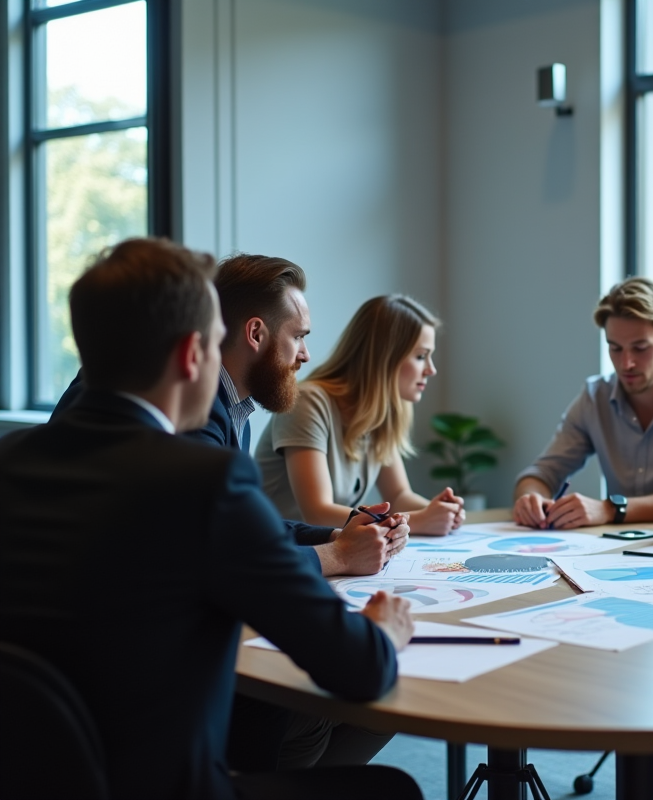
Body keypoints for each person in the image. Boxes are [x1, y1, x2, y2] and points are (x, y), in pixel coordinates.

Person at [0, 238, 422, 800]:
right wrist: (385, 631)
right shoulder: (203, 478)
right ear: (191, 354)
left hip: (31, 774)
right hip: (165, 785)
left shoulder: (12, 459)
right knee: (390, 789)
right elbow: (359, 669)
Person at [52, 253, 406, 579]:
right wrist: (340, 555)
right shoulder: (191, 417)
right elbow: (226, 556)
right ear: (253, 334)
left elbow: (239, 524)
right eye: (298, 337)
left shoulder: (234, 407)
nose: (306, 355)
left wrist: (339, 535)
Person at [513, 277, 653, 529]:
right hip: (615, 549)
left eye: (640, 348)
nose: (626, 363)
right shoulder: (595, 396)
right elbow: (540, 474)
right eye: (615, 348)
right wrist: (530, 499)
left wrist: (611, 508)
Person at [256, 295, 466, 535]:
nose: (431, 369)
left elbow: (398, 495)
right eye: (420, 356)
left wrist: (438, 512)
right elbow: (317, 512)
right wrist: (419, 521)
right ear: (384, 358)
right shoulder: (308, 402)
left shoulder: (380, 415)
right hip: (277, 550)